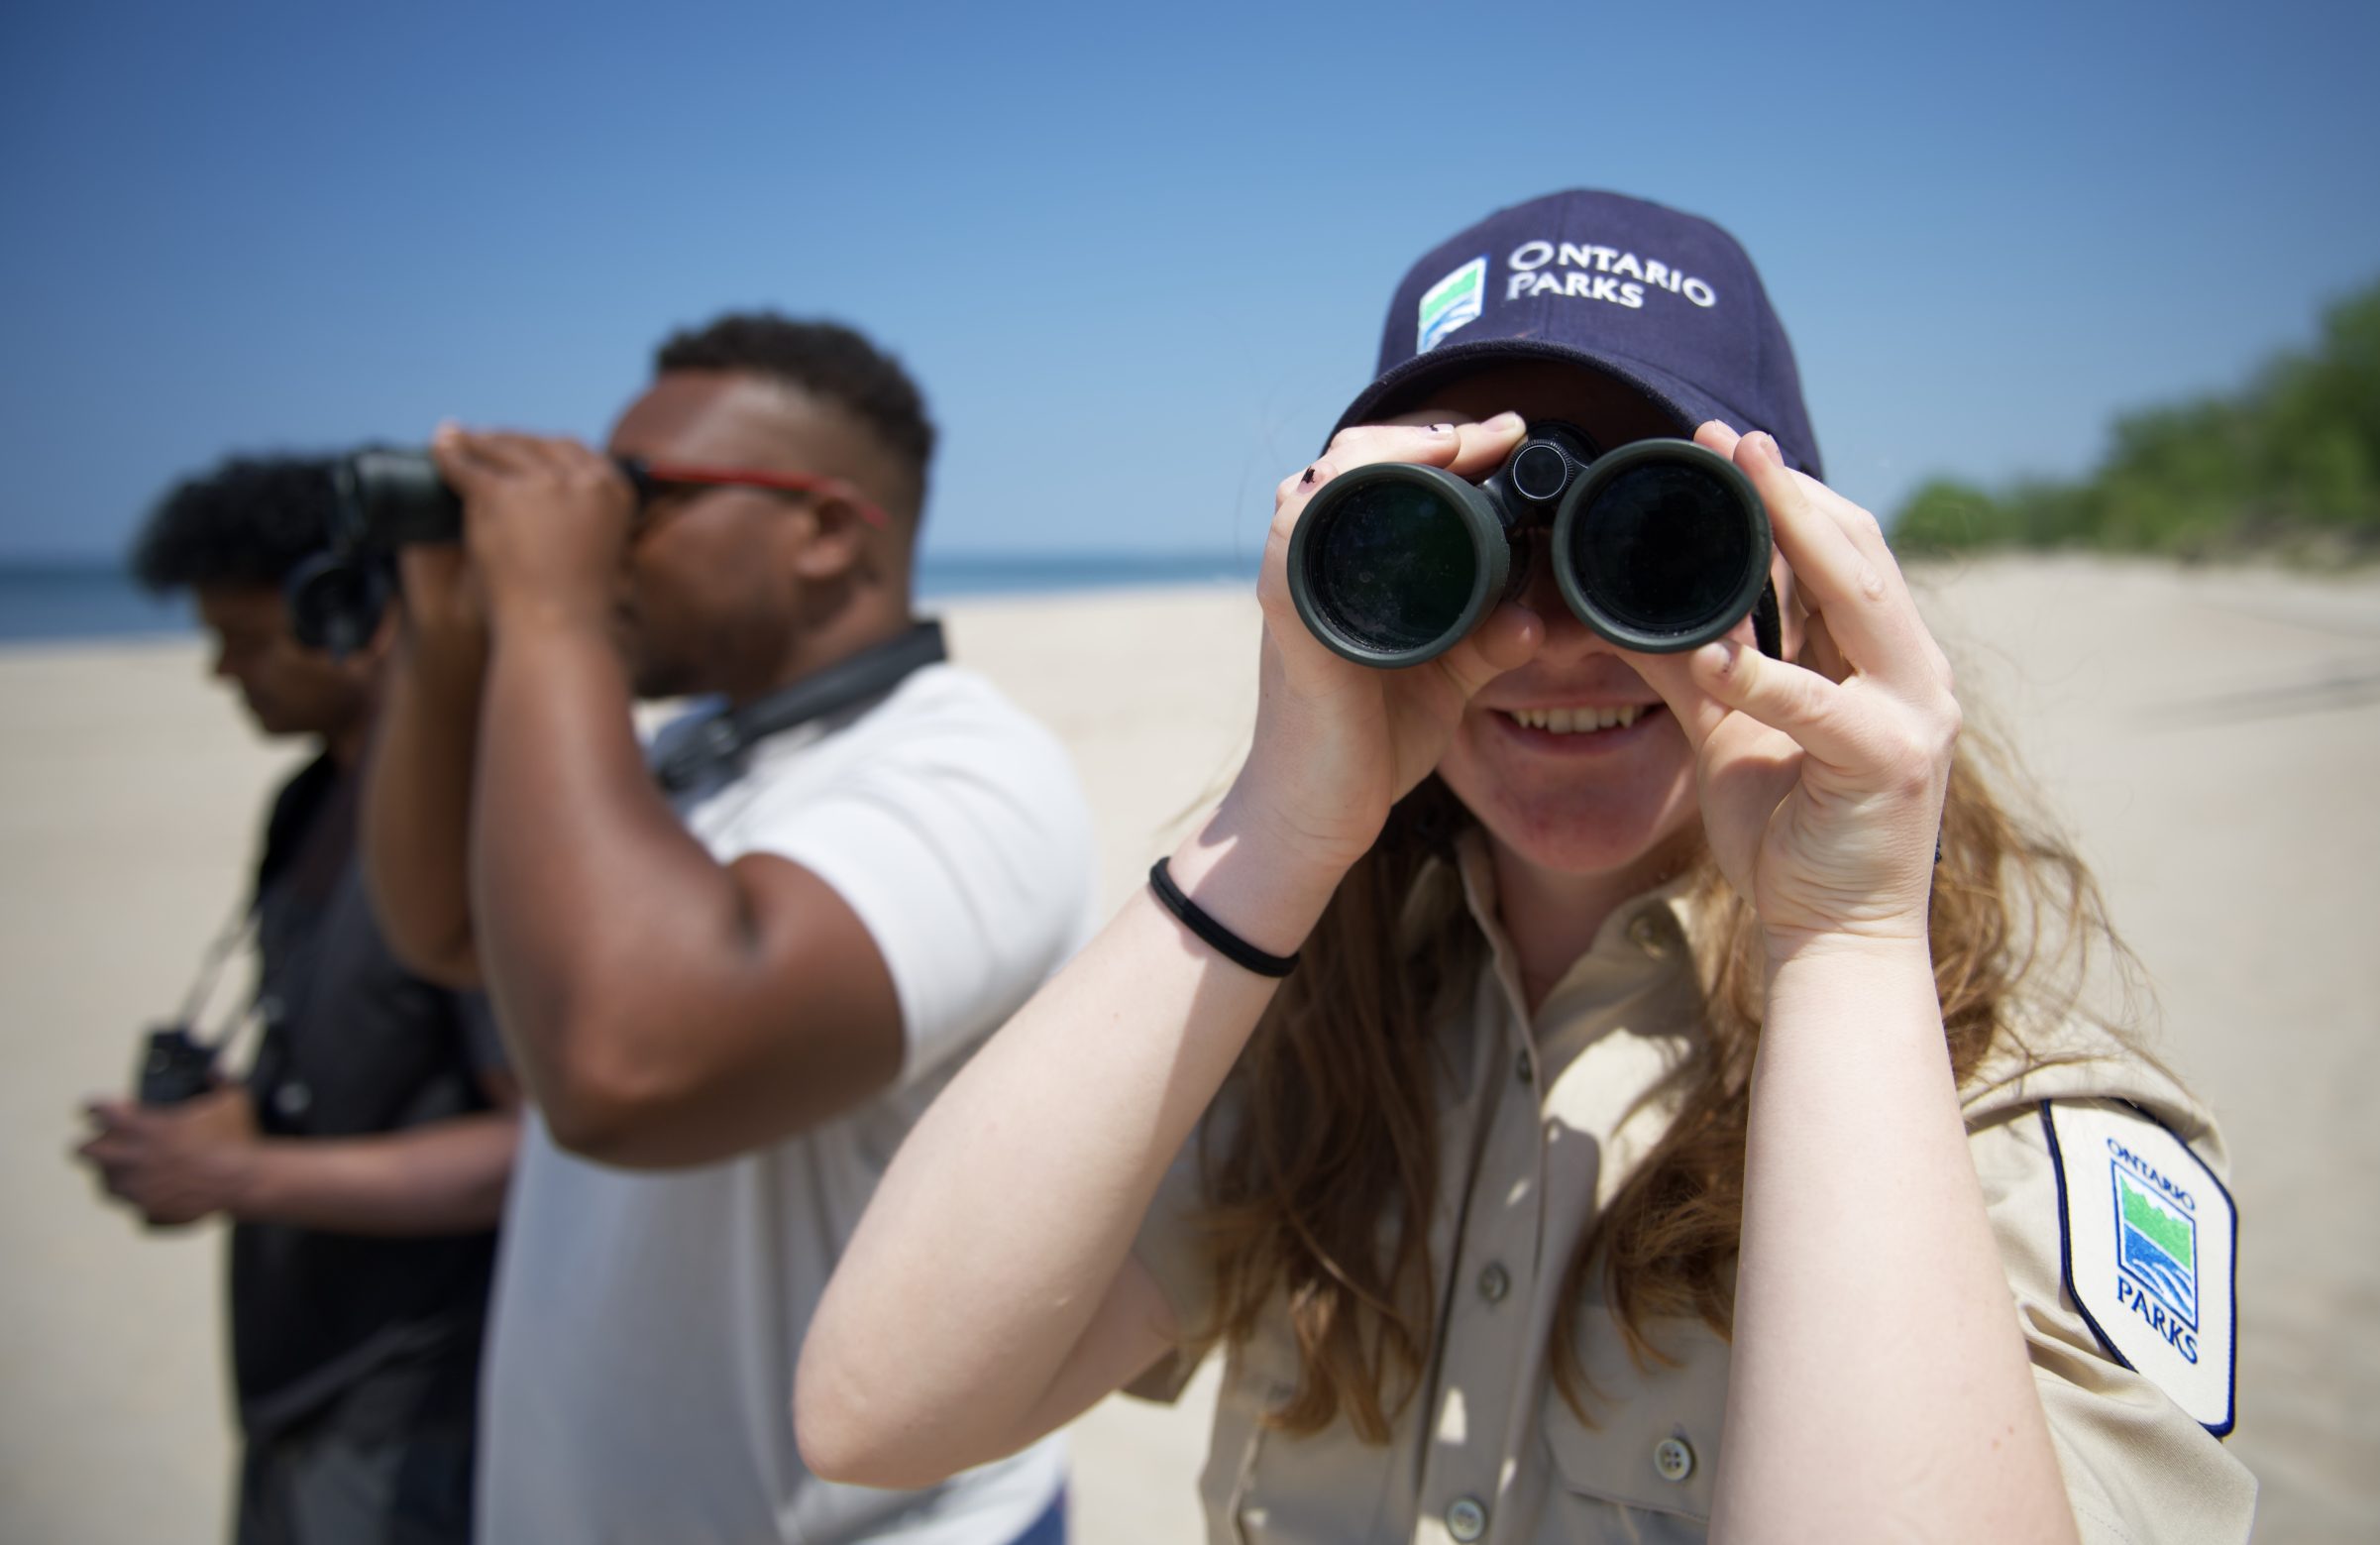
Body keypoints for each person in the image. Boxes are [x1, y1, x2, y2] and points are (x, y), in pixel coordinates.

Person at [791, 191, 2258, 1541]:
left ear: (1800, 576)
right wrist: (1279, 829)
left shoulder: (1981, 1104)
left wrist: (1845, 938)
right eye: (1469, 538)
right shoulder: (1315, 1046)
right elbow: (879, 1408)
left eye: (1656, 534)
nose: (1555, 633)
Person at [362, 312, 1095, 1545]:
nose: (602, 533)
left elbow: (626, 1065)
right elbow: (444, 928)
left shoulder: (970, 770)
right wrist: (449, 634)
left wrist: (555, 612)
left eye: (636, 496)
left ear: (821, 530)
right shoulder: (685, 762)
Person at [77, 455, 519, 1545]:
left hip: (418, 1399)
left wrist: (243, 1171)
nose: (223, 674)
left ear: (361, 615)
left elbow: (538, 1144)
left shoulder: (473, 821)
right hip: (298, 1376)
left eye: (246, 638)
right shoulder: (310, 798)